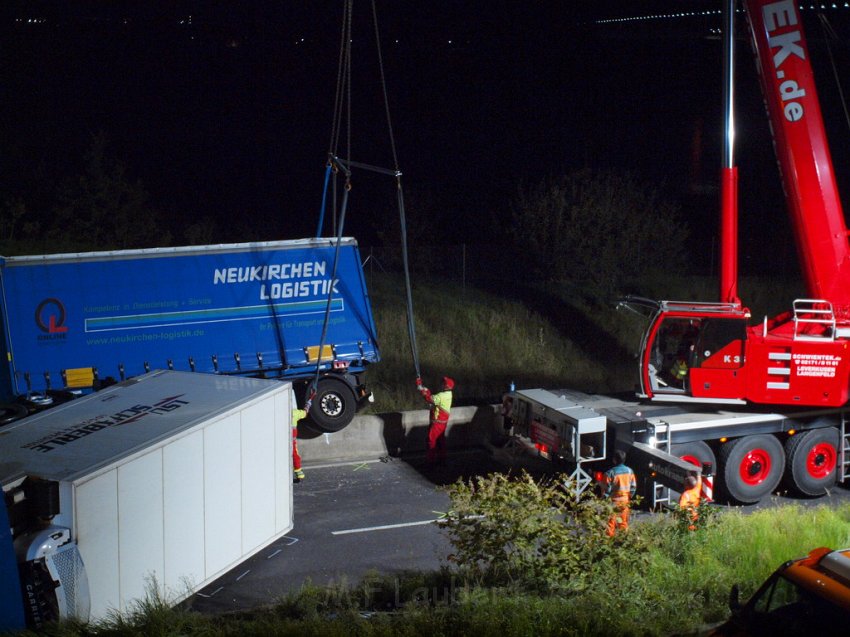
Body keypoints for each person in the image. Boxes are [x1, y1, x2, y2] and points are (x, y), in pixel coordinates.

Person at [417, 375, 454, 465]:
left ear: (445, 386)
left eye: (443, 383)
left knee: (431, 440)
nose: (441, 384)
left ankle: (430, 462)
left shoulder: (442, 396)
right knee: (441, 441)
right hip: (442, 423)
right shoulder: (448, 394)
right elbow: (434, 397)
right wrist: (425, 389)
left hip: (437, 423)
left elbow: (429, 399)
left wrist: (421, 389)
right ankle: (442, 459)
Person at [605, 449, 637, 537]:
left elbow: (607, 489)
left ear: (614, 460)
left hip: (613, 501)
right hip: (625, 501)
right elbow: (633, 487)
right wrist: (629, 496)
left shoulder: (610, 473)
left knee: (611, 523)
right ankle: (623, 541)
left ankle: (609, 543)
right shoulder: (630, 471)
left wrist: (604, 498)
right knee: (623, 522)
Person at [291, 396, 312, 483]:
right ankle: (299, 474)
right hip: (292, 440)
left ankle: (299, 474)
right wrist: (308, 404)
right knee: (295, 455)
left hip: (283, 439)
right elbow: (305, 412)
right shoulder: (295, 412)